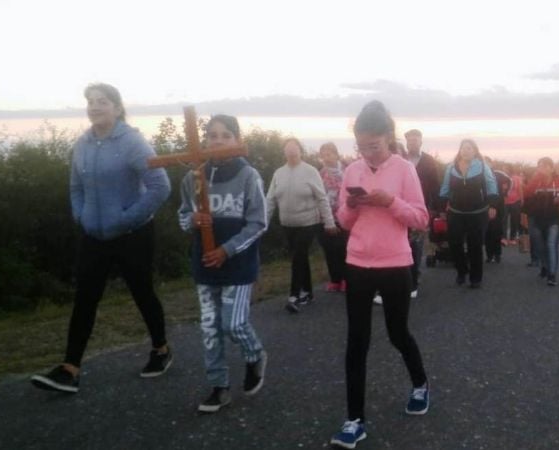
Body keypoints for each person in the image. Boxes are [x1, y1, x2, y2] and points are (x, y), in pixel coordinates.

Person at [31, 83, 172, 393]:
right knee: (84, 298)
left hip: (133, 235)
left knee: (142, 293)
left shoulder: (133, 142)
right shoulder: (82, 144)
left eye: (102, 101)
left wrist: (126, 218)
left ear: (117, 108)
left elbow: (161, 186)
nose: (95, 107)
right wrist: (81, 216)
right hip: (93, 235)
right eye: (91, 102)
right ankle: (70, 368)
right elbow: (75, 187)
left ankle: (161, 349)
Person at [330, 101, 430, 449]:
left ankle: (420, 384)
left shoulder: (404, 169)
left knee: (397, 332)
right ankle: (354, 420)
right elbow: (343, 220)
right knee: (356, 342)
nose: (368, 153)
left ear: (388, 138)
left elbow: (420, 219)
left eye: (374, 146)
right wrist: (351, 206)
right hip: (357, 263)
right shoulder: (353, 171)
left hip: (395, 264)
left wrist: (391, 202)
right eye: (362, 146)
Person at [178, 115, 268, 412]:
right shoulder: (193, 178)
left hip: (238, 265)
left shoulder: (248, 176)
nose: (217, 140)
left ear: (237, 141)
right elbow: (181, 217)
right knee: (209, 327)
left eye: (225, 135)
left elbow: (258, 223)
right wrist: (191, 220)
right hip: (205, 265)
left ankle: (254, 355)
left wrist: (227, 250)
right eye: (212, 134)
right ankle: (219, 386)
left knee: (234, 323)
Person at [266, 138, 337, 313]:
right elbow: (270, 200)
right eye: (287, 149)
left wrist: (329, 222)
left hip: (308, 222)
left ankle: (294, 295)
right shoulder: (279, 173)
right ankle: (308, 293)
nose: (291, 152)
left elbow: (322, 198)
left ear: (300, 151)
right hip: (288, 223)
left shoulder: (310, 171)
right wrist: (263, 223)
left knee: (298, 255)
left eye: (294, 149)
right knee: (300, 257)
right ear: (284, 152)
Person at [439, 139, 499, 288]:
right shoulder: (451, 168)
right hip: (455, 212)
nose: (466, 151)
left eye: (469, 148)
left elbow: (492, 185)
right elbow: (445, 188)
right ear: (459, 151)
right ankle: (461, 270)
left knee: (475, 246)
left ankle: (475, 278)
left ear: (475, 151)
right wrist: (441, 209)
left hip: (477, 213)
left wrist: (493, 205)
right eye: (463, 148)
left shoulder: (482, 166)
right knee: (455, 244)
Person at [404, 129, 440, 298]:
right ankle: (401, 276)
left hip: (421, 207)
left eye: (415, 140)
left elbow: (435, 186)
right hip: (401, 207)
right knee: (401, 243)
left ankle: (414, 279)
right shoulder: (399, 159)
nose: (412, 143)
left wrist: (435, 209)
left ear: (421, 141)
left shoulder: (429, 161)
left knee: (416, 244)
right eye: (409, 140)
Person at [524, 157, 559, 286]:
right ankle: (545, 266)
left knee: (551, 245)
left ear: (552, 167)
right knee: (539, 246)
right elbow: (526, 194)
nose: (542, 169)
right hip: (536, 218)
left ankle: (552, 274)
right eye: (540, 166)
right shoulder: (535, 180)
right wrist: (536, 179)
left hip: (554, 218)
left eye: (545, 166)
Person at [318, 142, 349, 293]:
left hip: (345, 214)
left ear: (336, 154)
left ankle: (346, 279)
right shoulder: (320, 173)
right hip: (326, 216)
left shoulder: (346, 170)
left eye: (329, 154)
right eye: (323, 155)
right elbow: (318, 194)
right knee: (330, 249)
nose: (326, 157)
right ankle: (335, 279)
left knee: (344, 248)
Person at [484, 158, 512, 263]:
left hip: (498, 206)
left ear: (491, 163)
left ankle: (497, 254)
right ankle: (489, 255)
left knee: (496, 231)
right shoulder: (479, 175)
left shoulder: (498, 174)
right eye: (483, 162)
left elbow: (510, 181)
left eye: (487, 162)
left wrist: (506, 193)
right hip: (485, 207)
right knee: (487, 232)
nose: (485, 164)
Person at [504, 164, 524, 245]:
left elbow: (520, 189)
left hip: (515, 201)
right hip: (504, 202)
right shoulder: (503, 177)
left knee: (514, 220)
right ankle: (503, 238)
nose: (504, 170)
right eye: (503, 169)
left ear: (510, 169)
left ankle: (512, 238)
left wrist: (522, 199)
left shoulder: (516, 178)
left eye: (505, 169)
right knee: (504, 220)